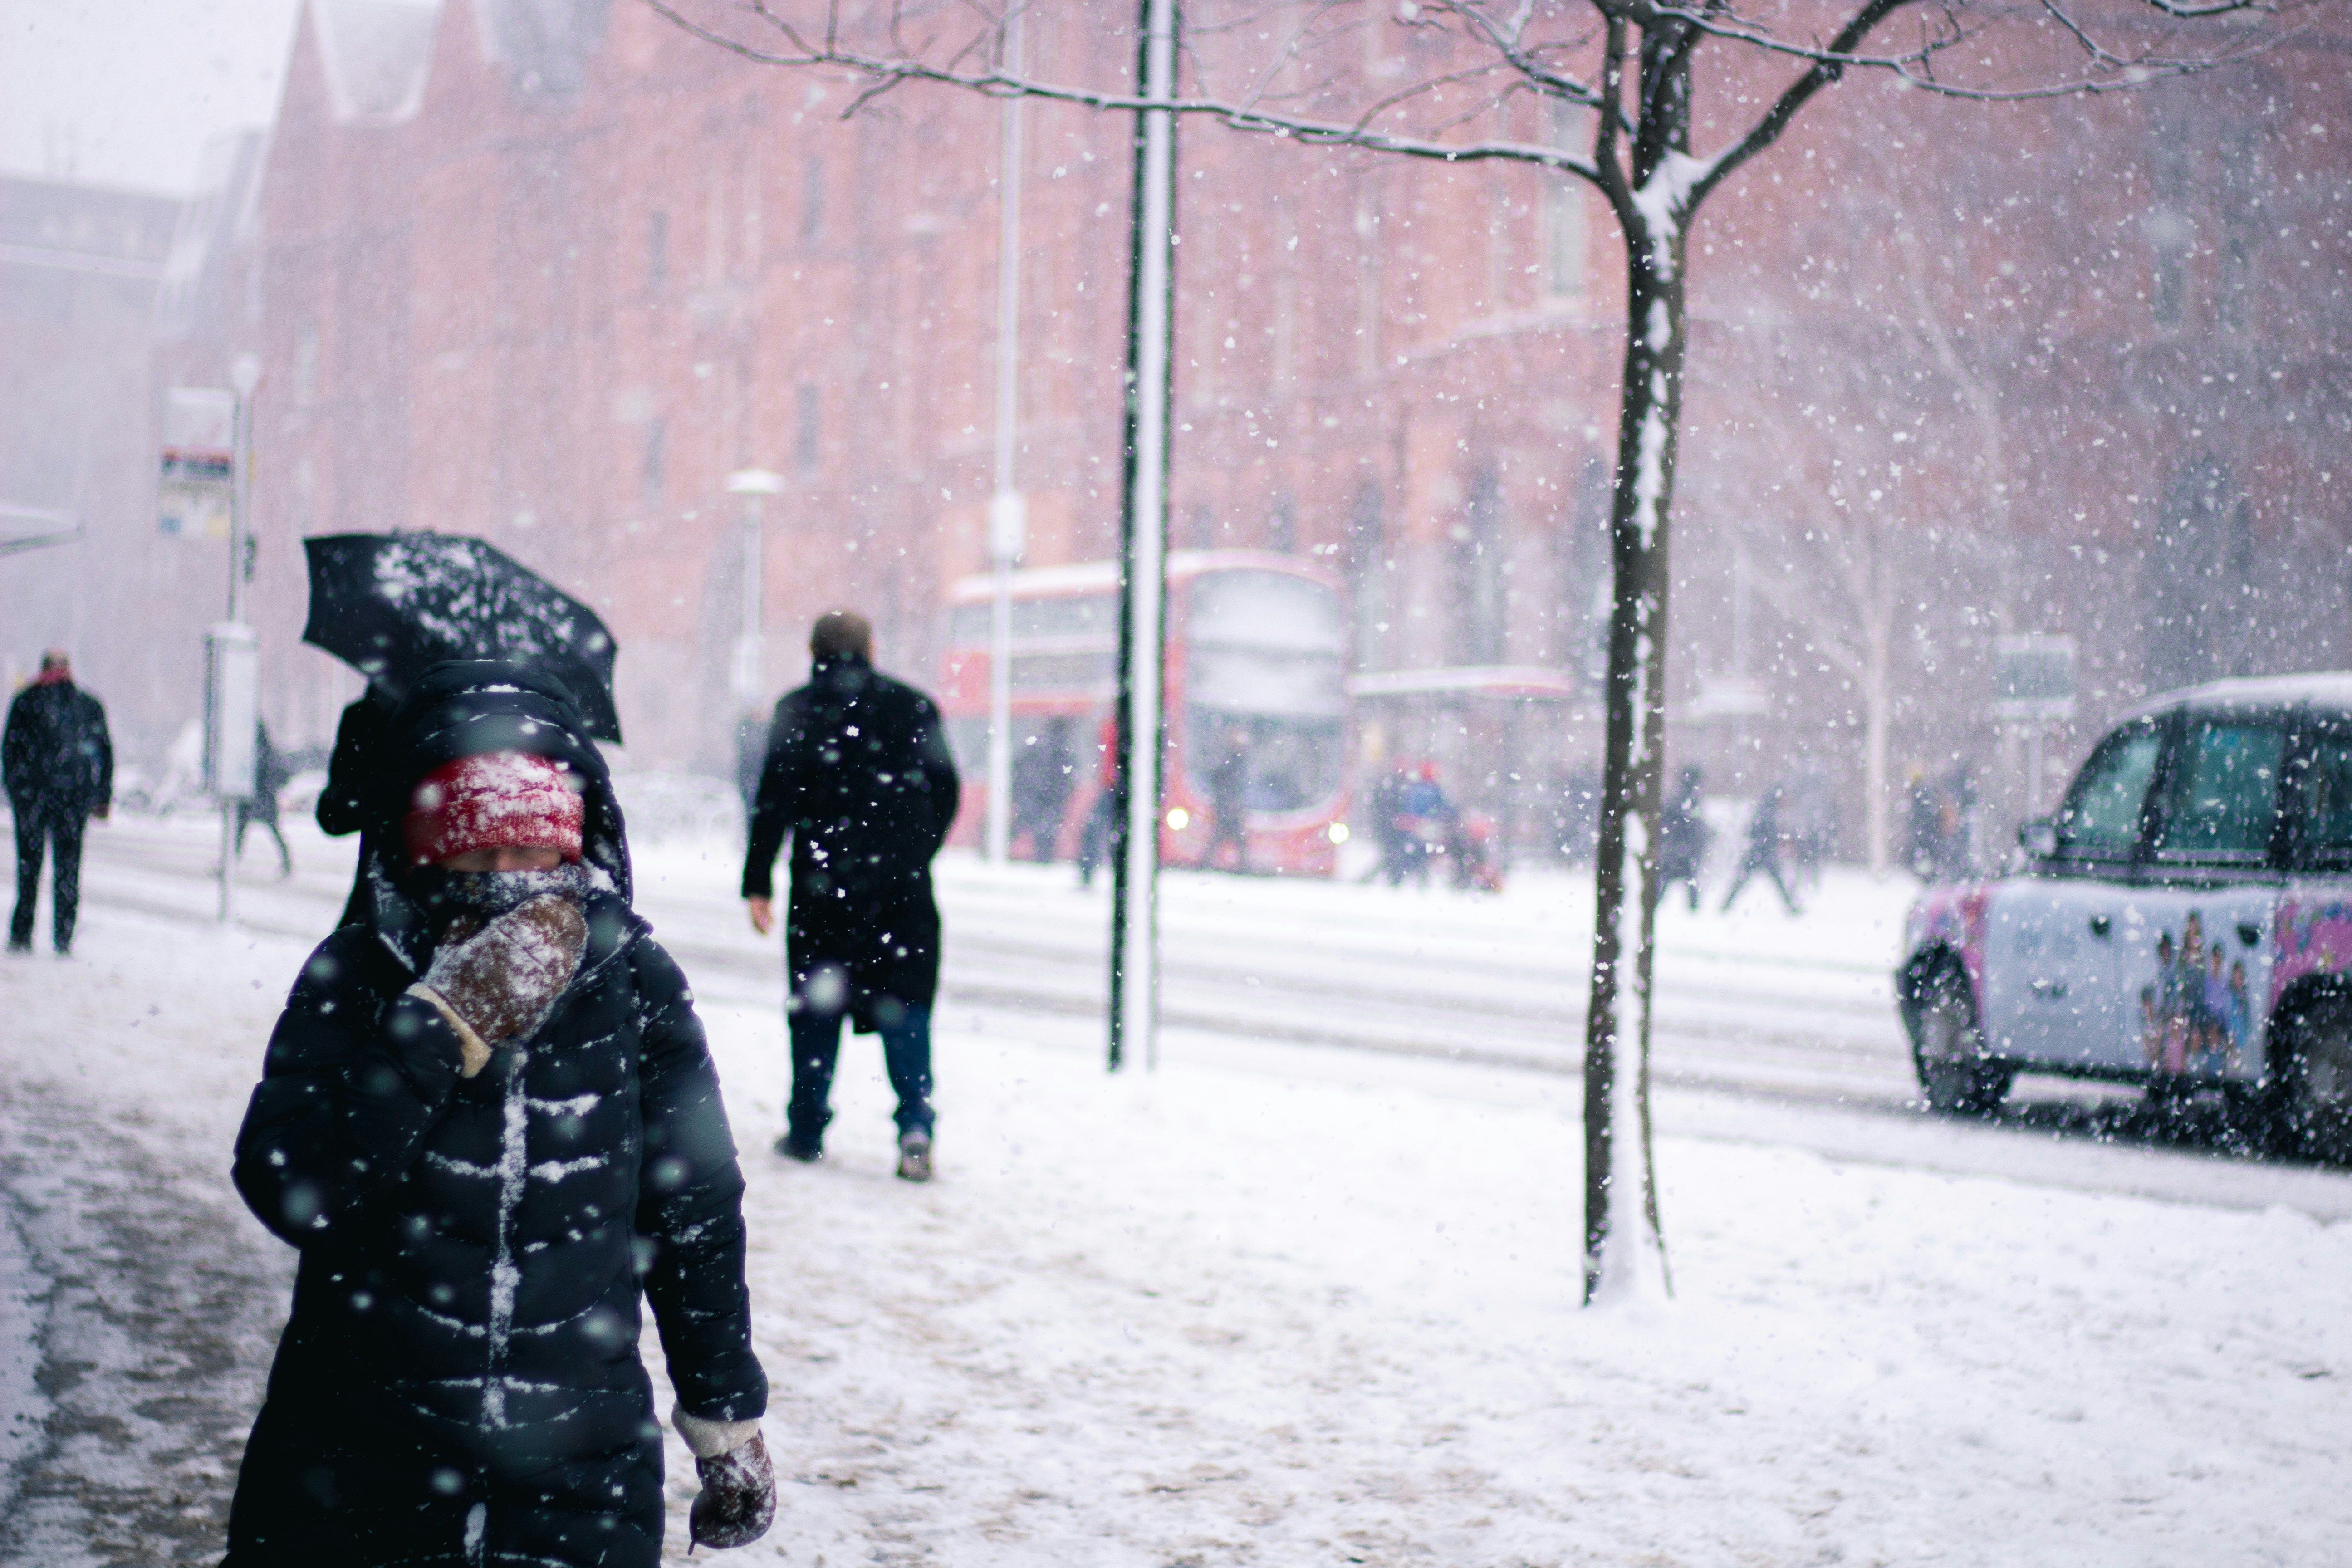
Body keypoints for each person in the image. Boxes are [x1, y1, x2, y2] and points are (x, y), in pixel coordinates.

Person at [225, 660, 773, 1565]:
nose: (508, 881)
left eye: (532, 852)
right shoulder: (362, 972)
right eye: (477, 853)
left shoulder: (630, 979)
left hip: (578, 1471)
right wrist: (433, 1034)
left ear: (576, 842)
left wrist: (725, 1419)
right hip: (362, 1467)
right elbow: (291, 1190)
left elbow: (695, 1210)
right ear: (419, 847)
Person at [743, 611, 959, 1181]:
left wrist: (758, 881)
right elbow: (947, 787)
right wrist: (915, 852)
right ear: (871, 645)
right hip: (900, 893)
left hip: (822, 888)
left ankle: (808, 1126)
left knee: (817, 1008)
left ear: (813, 649)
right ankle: (915, 1126)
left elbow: (772, 800)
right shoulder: (913, 706)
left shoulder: (796, 710)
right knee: (906, 1007)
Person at [5, 650, 112, 956]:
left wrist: (17, 792)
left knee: (29, 870)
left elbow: (9, 751)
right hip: (72, 802)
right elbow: (105, 752)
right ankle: (63, 937)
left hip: (33, 801)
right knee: (68, 871)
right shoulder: (87, 705)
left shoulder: (26, 703)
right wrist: (101, 797)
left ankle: (22, 934)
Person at [318, 681, 399, 928]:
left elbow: (334, 814)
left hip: (380, 892)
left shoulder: (366, 715)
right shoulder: (463, 718)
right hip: (387, 891)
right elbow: (334, 815)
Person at [1721, 782, 1802, 915]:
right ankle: (1791, 908)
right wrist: (1777, 842)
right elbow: (1764, 833)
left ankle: (1725, 906)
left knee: (1742, 881)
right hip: (1760, 853)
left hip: (1757, 853)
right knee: (1776, 882)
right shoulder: (1768, 812)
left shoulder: (1767, 809)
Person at [234, 718, 293, 879]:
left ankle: (230, 862)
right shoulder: (266, 751)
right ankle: (287, 864)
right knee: (271, 831)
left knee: (241, 831)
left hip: (258, 798)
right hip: (263, 798)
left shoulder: (258, 752)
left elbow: (268, 774)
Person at [1658, 765, 1711, 912]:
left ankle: (1693, 910)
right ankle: (1693, 911)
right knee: (1683, 877)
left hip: (1680, 846)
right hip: (1680, 847)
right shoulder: (1685, 796)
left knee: (1673, 878)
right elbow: (1678, 819)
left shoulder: (1684, 794)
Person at [1076, 712, 1118, 887]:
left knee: (1094, 830)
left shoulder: (1111, 727)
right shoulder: (1112, 727)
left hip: (1112, 787)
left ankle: (1087, 871)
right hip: (1113, 786)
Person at [1203, 724, 1252, 872]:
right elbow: (1228, 784)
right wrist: (1230, 802)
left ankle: (1207, 863)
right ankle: (1242, 867)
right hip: (1229, 807)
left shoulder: (1231, 760)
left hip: (1227, 806)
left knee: (1223, 836)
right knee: (1231, 836)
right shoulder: (1232, 761)